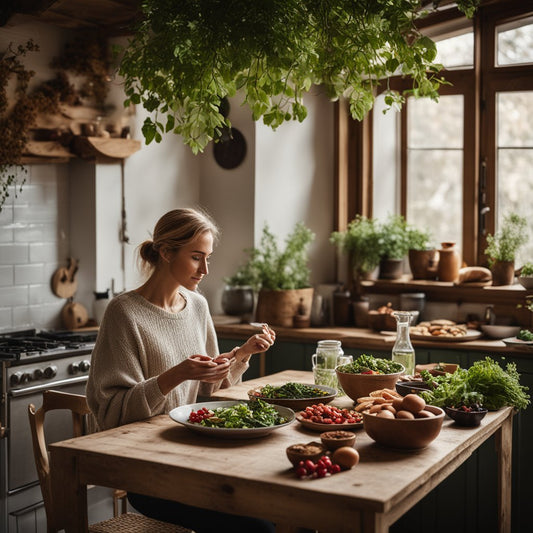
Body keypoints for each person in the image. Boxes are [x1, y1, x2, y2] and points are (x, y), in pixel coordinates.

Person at [86, 207, 276, 533]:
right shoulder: (124, 313)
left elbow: (209, 389)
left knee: (289, 514)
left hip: (197, 457)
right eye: (196, 257)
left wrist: (243, 353)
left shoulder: (197, 306)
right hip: (150, 473)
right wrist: (177, 374)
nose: (205, 269)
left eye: (208, 258)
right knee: (259, 527)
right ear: (165, 252)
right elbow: (111, 413)